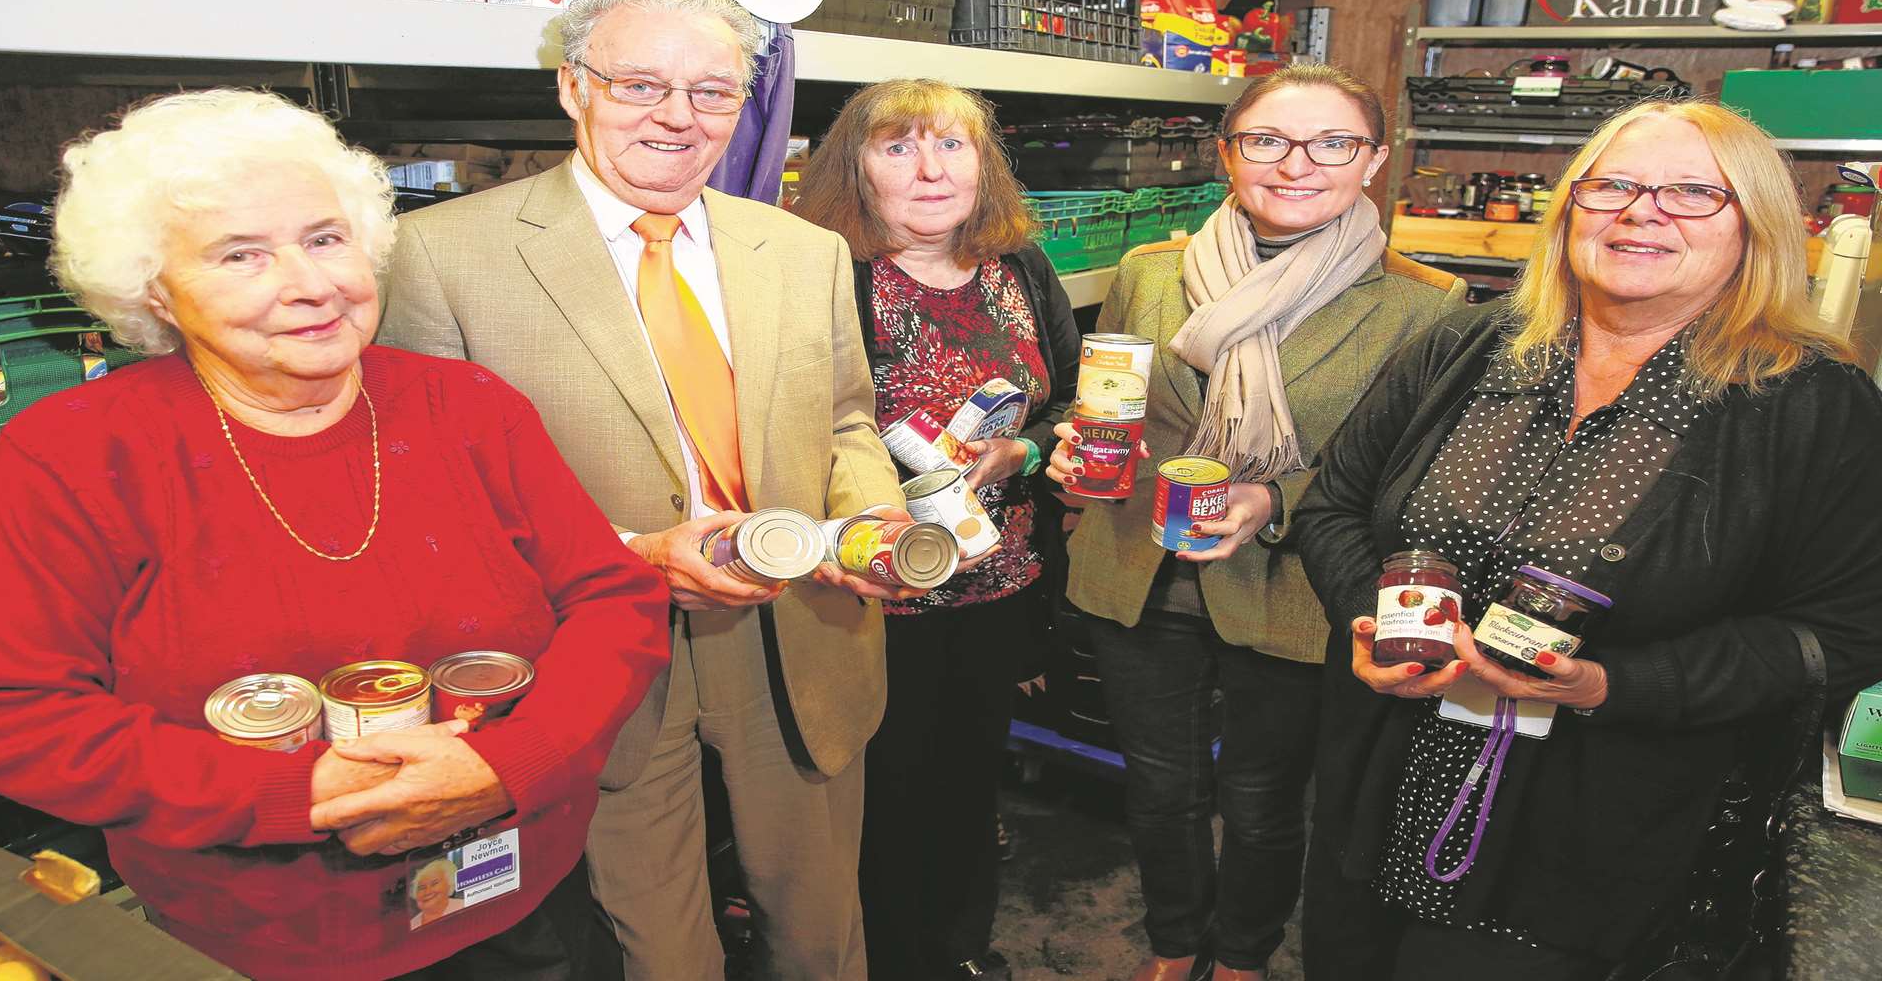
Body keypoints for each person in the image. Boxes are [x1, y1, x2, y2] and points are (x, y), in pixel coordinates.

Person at [0, 89, 671, 981]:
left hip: (514, 893)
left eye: (325, 238)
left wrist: (510, 764)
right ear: (156, 291)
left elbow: (616, 599)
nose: (310, 284)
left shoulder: (465, 407)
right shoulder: (72, 454)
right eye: (241, 255)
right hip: (259, 937)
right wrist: (298, 794)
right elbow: (13, 718)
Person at [376, 0, 909, 981]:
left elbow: (847, 420)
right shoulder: (440, 256)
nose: (678, 117)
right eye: (639, 85)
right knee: (657, 949)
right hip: (599, 652)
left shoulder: (800, 251)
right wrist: (627, 557)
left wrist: (868, 522)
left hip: (797, 630)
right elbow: (432, 501)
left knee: (822, 930)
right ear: (574, 87)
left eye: (711, 91)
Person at [1295, 98, 1882, 980]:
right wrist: (1368, 618)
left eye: (1691, 193)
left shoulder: (1809, 403)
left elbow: (1838, 634)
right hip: (1384, 783)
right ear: (1571, 207)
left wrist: (1610, 683)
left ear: (1754, 225)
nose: (1641, 211)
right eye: (1612, 185)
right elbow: (1332, 507)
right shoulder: (1468, 344)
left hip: (1591, 837)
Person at [1045, 65, 1466, 981]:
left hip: (1294, 585)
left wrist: (1276, 500)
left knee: (1267, 799)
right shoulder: (1151, 272)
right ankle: (1173, 940)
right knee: (1160, 790)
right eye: (1267, 141)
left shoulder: (1424, 303)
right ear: (1229, 153)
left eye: (1332, 144)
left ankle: (1241, 954)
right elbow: (1110, 404)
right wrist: (1079, 452)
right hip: (1140, 562)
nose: (1297, 165)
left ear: (1375, 160)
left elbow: (1406, 474)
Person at [795, 78, 1081, 981]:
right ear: (856, 168)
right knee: (878, 800)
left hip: (999, 584)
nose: (930, 169)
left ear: (983, 166)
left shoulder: (1023, 268)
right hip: (870, 599)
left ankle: (960, 951)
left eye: (952, 146)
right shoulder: (825, 274)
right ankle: (883, 959)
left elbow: (1067, 402)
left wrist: (1023, 454)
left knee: (966, 786)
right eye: (898, 147)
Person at [410, 858, 466, 929]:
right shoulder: (412, 924)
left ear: (449, 884)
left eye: (434, 883)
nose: (427, 892)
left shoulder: (464, 906)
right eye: (422, 887)